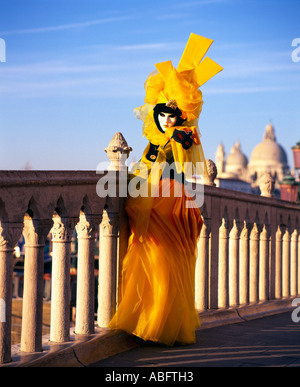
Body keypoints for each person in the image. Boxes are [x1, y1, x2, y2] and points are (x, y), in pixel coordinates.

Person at [108, 33, 222, 346]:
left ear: (180, 116)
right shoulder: (158, 140)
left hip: (167, 204)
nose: (167, 119)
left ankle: (159, 324)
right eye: (163, 114)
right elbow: (145, 167)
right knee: (153, 260)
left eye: (172, 114)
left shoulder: (184, 139)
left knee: (164, 261)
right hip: (156, 201)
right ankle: (152, 320)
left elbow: (177, 170)